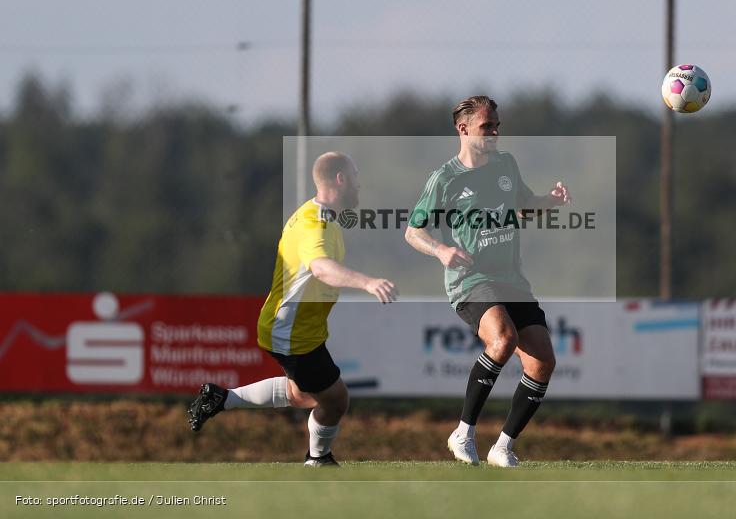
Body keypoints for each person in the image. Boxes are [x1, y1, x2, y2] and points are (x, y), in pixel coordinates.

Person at [188, 151, 398, 467]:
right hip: (292, 332)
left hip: (296, 327)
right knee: (336, 399)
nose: (359, 185)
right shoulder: (317, 224)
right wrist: (367, 283)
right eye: (355, 178)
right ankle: (318, 458)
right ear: (341, 179)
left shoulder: (316, 216)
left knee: (304, 394)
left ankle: (221, 398)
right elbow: (321, 268)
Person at [404, 96, 571, 467]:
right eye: (487, 126)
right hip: (471, 279)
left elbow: (524, 205)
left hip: (512, 279)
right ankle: (463, 432)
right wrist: (441, 251)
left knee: (543, 361)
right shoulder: (444, 179)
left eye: (497, 125)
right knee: (503, 338)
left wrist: (551, 201)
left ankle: (503, 447)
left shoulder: (506, 164)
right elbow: (413, 231)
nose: (495, 132)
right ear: (463, 129)